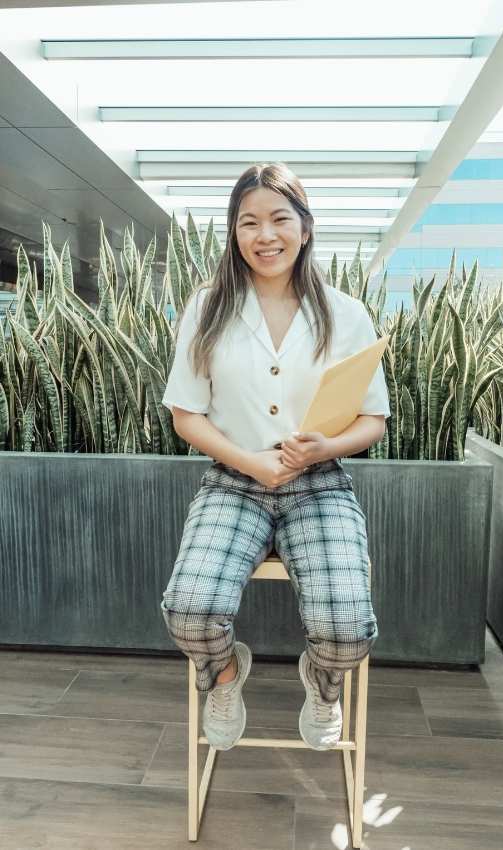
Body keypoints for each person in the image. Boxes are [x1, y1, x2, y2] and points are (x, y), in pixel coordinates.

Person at [159, 162, 391, 752]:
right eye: (249, 222)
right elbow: (186, 417)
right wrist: (251, 462)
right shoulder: (207, 307)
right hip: (234, 480)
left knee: (346, 630)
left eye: (280, 219)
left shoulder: (346, 313)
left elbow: (374, 420)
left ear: (305, 227)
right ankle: (226, 673)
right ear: (234, 234)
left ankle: (322, 679)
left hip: (318, 482)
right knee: (190, 611)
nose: (266, 236)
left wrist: (325, 448)